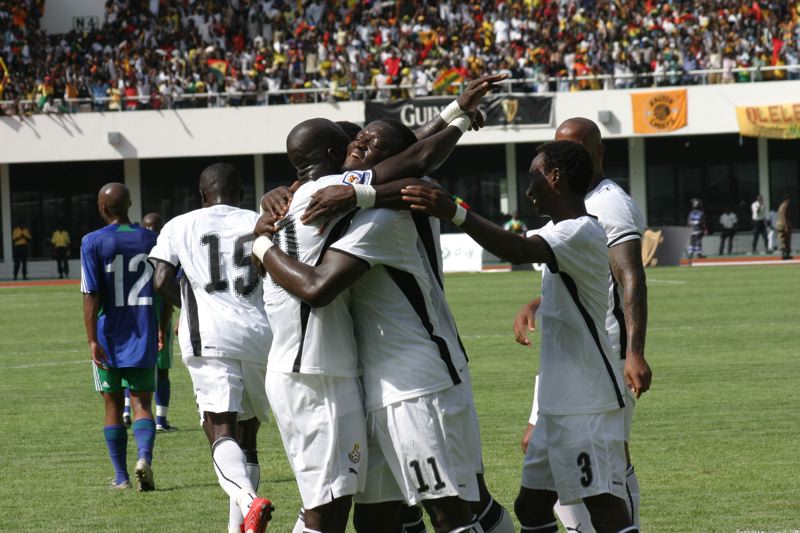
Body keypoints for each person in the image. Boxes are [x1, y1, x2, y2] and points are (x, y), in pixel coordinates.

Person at [255, 118, 488, 533]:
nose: (358, 147)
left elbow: (320, 285)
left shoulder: (381, 214)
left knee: (428, 507)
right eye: (354, 141)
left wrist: (259, 241)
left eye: (368, 143)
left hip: (410, 381)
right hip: (345, 375)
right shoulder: (333, 201)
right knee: (355, 508)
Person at [400, 140, 638, 533]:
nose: (528, 187)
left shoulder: (579, 230)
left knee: (604, 507)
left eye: (533, 175)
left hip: (586, 402)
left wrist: (455, 212)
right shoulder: (562, 230)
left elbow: (516, 248)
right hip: (557, 403)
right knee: (531, 507)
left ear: (555, 177)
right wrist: (536, 304)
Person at [511, 118, 650, 530]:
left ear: (598, 152)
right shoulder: (565, 207)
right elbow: (584, 273)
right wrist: (538, 302)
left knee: (608, 470)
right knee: (545, 462)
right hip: (563, 362)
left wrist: (633, 351)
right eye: (557, 150)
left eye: (575, 148)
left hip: (599, 359)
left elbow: (629, 277)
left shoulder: (610, 204)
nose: (563, 160)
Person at [149, 163, 273, 533]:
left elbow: (160, 280)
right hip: (260, 335)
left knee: (221, 430)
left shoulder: (179, 224)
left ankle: (250, 502)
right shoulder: (257, 219)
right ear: (241, 193)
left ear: (203, 195)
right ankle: (239, 528)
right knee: (248, 436)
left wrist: (191, 307)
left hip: (210, 337)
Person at [80, 183, 158, 491]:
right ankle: (145, 458)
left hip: (108, 335)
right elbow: (165, 284)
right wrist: (163, 326)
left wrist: (90, 340)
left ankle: (121, 477)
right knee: (141, 403)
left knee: (112, 405)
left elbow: (91, 293)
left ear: (102, 207)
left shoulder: (92, 241)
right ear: (129, 205)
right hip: (143, 331)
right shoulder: (151, 238)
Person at [142, 212, 176, 431]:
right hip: (157, 318)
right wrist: (163, 329)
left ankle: (127, 412)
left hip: (137, 322)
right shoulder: (165, 255)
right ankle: (161, 420)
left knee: (136, 369)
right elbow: (167, 298)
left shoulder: (136, 253)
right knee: (162, 371)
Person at [775, 194, 793, 260]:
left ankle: (785, 254)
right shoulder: (785, 206)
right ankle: (785, 255)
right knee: (785, 240)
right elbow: (784, 216)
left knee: (783, 240)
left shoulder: (781, 205)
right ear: (787, 199)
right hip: (783, 224)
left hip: (780, 224)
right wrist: (786, 226)